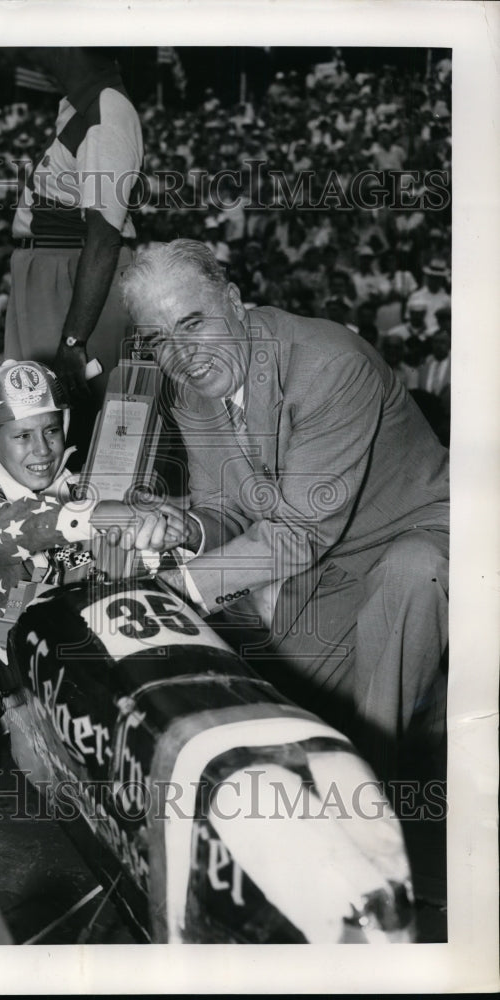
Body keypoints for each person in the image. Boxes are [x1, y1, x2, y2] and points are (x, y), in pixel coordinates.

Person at [119, 240, 450, 781]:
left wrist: (179, 589)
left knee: (411, 577)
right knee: (290, 707)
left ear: (233, 300)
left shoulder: (329, 364)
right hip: (335, 559)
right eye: (160, 339)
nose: (182, 356)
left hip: (422, 532)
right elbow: (226, 507)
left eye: (193, 323)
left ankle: (367, 798)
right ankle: (431, 713)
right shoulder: (190, 391)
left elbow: (296, 535)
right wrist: (190, 528)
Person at [0, 359, 187, 686]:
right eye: (23, 436)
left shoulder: (84, 484)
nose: (42, 450)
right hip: (13, 638)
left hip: (95, 621)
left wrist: (160, 536)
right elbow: (1, 532)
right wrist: (94, 516)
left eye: (51, 430)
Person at [4, 48, 144, 429]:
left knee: (73, 423)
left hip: (70, 275)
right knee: (41, 419)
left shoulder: (106, 112)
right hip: (53, 273)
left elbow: (103, 237)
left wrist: (73, 343)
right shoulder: (81, 103)